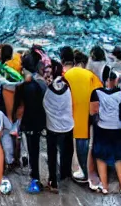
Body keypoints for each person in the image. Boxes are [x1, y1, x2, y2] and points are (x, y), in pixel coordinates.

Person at [62, 47, 102, 185]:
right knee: (83, 143)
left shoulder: (66, 74)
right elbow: (98, 93)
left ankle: (67, 171)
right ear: (84, 63)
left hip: (67, 114)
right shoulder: (90, 75)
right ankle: (85, 172)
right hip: (85, 115)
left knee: (68, 144)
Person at [90, 67, 121, 197]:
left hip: (102, 128)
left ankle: (105, 186)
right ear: (114, 80)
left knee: (101, 157)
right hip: (117, 128)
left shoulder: (96, 92)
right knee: (119, 158)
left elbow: (93, 112)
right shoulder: (120, 92)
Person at [13, 51, 47, 194]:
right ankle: (37, 177)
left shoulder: (21, 87)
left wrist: (16, 123)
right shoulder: (40, 84)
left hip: (28, 123)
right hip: (39, 121)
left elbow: (19, 108)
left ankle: (35, 178)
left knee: (32, 150)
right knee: (35, 150)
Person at [43, 61, 74, 193]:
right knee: (66, 151)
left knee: (52, 154)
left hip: (53, 128)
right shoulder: (67, 87)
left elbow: (45, 105)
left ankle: (53, 181)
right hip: (67, 126)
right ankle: (65, 174)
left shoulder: (49, 91)